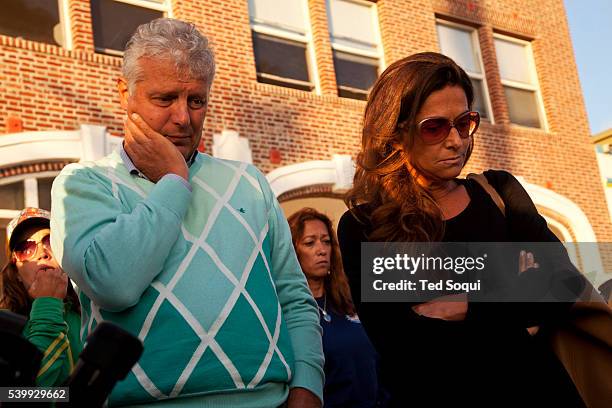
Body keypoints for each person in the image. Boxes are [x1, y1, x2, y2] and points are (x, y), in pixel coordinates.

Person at [50, 18, 323, 407]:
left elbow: (294, 298)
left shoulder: (250, 182)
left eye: (196, 100)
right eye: (165, 99)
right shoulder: (83, 183)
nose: (184, 117)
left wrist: (308, 386)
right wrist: (174, 182)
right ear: (124, 94)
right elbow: (113, 284)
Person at [337, 52, 586, 407]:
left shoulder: (500, 192)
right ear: (395, 134)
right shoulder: (364, 225)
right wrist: (518, 310)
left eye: (465, 122)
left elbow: (563, 284)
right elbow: (403, 345)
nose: (456, 140)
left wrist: (470, 306)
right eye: (435, 127)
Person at [287, 208, 386, 408]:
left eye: (326, 241)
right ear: (292, 251)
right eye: (310, 242)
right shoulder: (288, 314)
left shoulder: (351, 300)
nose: (321, 249)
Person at [0, 207, 81, 386]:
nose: (42, 253)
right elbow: (21, 397)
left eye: (50, 241)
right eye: (25, 249)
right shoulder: (4, 330)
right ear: (16, 274)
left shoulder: (93, 314)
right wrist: (48, 305)